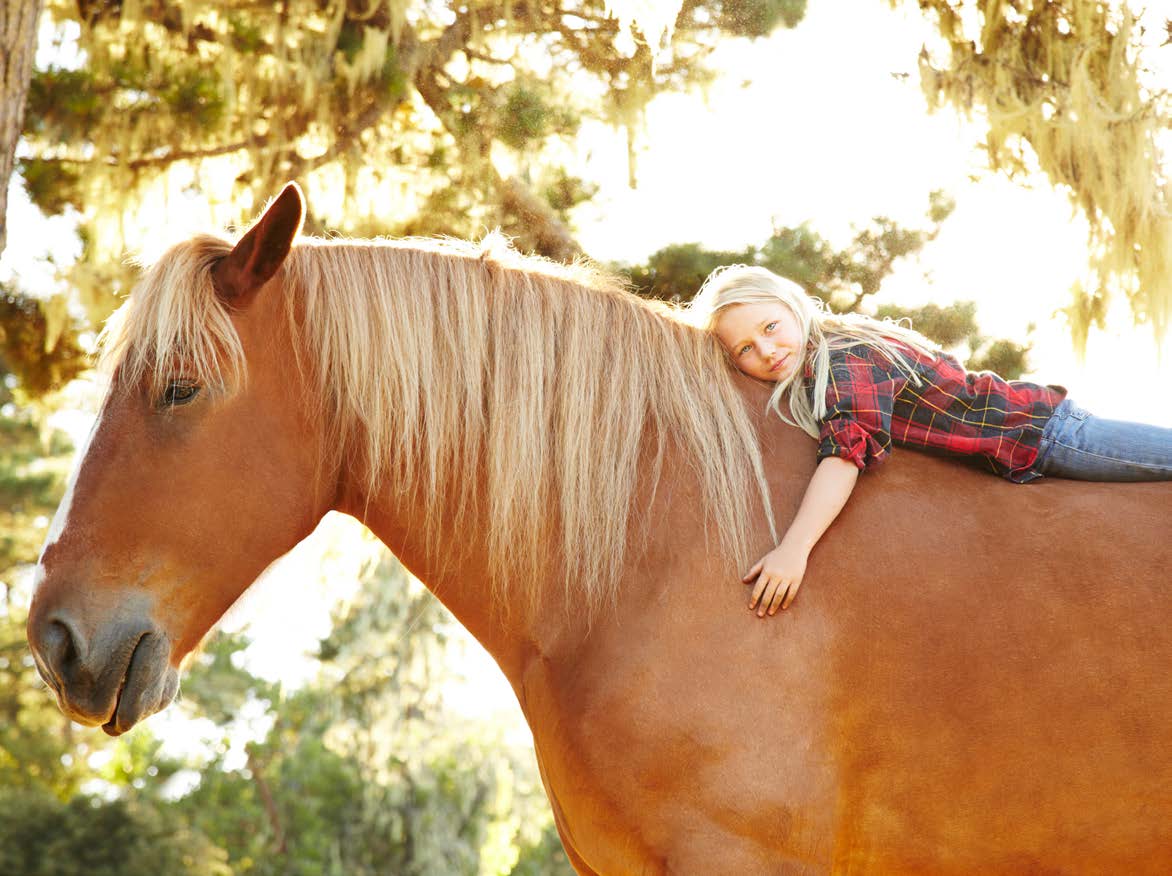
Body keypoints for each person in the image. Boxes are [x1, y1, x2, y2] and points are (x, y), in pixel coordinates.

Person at [687, 265, 1172, 618]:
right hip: (1027, 442)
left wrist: (794, 549)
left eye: (770, 327)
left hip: (1048, 433)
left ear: (793, 308)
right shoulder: (818, 367)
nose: (768, 351)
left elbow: (846, 454)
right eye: (745, 349)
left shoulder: (843, 359)